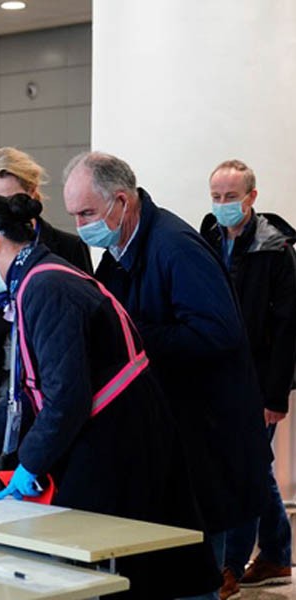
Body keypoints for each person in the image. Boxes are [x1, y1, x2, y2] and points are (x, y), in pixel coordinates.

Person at [0, 193, 219, 598]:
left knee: (135, 564)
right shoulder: (33, 281)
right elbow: (24, 393)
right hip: (110, 434)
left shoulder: (47, 286)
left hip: (122, 437)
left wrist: (29, 467)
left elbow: (64, 397)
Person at [63, 152, 272, 598]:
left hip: (205, 436)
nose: (81, 226)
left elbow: (218, 333)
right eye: (74, 215)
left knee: (196, 573)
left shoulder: (174, 246)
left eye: (87, 213)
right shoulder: (120, 248)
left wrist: (134, 334)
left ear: (121, 201)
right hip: (166, 433)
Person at [0, 147, 92, 487]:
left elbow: (65, 388)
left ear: (32, 196)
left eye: (7, 202)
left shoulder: (50, 273)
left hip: (43, 383)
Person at [200, 159, 295, 595]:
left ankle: (231, 567)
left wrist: (275, 397)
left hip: (257, 384)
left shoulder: (275, 250)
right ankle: (276, 552)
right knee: (249, 468)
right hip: (218, 380)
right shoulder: (208, 237)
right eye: (216, 197)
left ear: (252, 197)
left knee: (246, 470)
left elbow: (288, 331)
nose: (222, 205)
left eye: (230, 197)